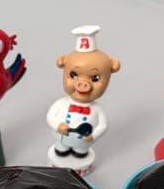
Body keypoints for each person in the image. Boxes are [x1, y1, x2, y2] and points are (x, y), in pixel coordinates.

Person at [46, 25, 119, 174]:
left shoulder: (97, 110)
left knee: (80, 151)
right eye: (74, 75)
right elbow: (50, 116)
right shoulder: (60, 104)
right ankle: (61, 151)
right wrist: (58, 125)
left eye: (95, 78)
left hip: (83, 142)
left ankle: (79, 154)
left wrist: (93, 136)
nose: (83, 84)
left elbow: (103, 126)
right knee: (61, 149)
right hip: (62, 138)